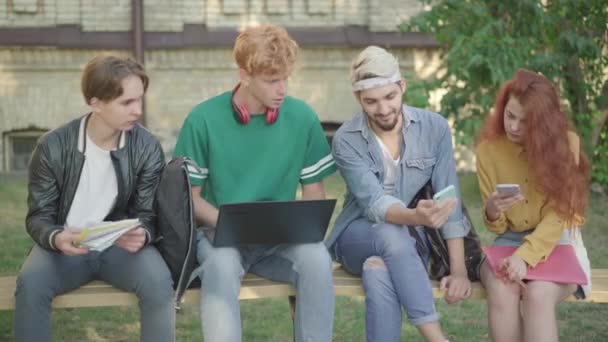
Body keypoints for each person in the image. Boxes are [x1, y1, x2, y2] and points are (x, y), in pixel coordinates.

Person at [173, 24, 337, 342]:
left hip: (280, 241)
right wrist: (232, 223)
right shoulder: (202, 120)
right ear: (245, 75)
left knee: (317, 258)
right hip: (219, 236)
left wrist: (303, 227)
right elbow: (188, 198)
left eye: (285, 78)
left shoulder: (302, 117)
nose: (282, 89)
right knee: (220, 266)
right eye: (272, 80)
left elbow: (313, 192)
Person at [13, 55, 175, 342]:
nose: (138, 110)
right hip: (66, 247)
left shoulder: (146, 147)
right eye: (127, 102)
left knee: (159, 282)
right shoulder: (53, 146)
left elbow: (149, 214)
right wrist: (55, 238)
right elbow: (38, 216)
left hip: (120, 247)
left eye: (140, 100)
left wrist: (142, 234)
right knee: (31, 283)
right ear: (95, 102)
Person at [325, 46, 472, 342]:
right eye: (371, 101)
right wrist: (415, 216)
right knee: (390, 233)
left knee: (377, 270)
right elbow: (376, 204)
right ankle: (437, 338)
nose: (383, 109)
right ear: (358, 99)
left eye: (390, 97)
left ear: (402, 86)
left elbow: (449, 201)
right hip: (356, 236)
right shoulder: (346, 140)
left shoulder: (434, 128)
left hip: (407, 244)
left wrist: (459, 271)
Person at [475, 68, 592, 342]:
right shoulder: (487, 151)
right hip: (509, 239)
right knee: (503, 288)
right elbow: (500, 226)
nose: (514, 127)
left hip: (558, 239)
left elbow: (559, 216)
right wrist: (493, 210)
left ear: (544, 123)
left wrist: (524, 258)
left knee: (538, 295)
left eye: (525, 121)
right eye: (510, 115)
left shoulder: (567, 144)